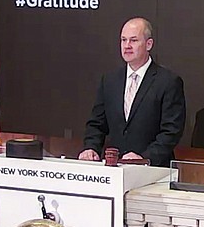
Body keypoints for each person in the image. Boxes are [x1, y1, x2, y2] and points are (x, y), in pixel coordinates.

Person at [79, 17, 186, 167]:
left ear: (148, 44)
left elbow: (171, 131)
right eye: (123, 40)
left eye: (133, 40)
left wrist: (144, 158)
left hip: (153, 171)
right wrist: (91, 147)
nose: (127, 46)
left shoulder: (168, 81)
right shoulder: (110, 80)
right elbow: (96, 124)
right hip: (114, 169)